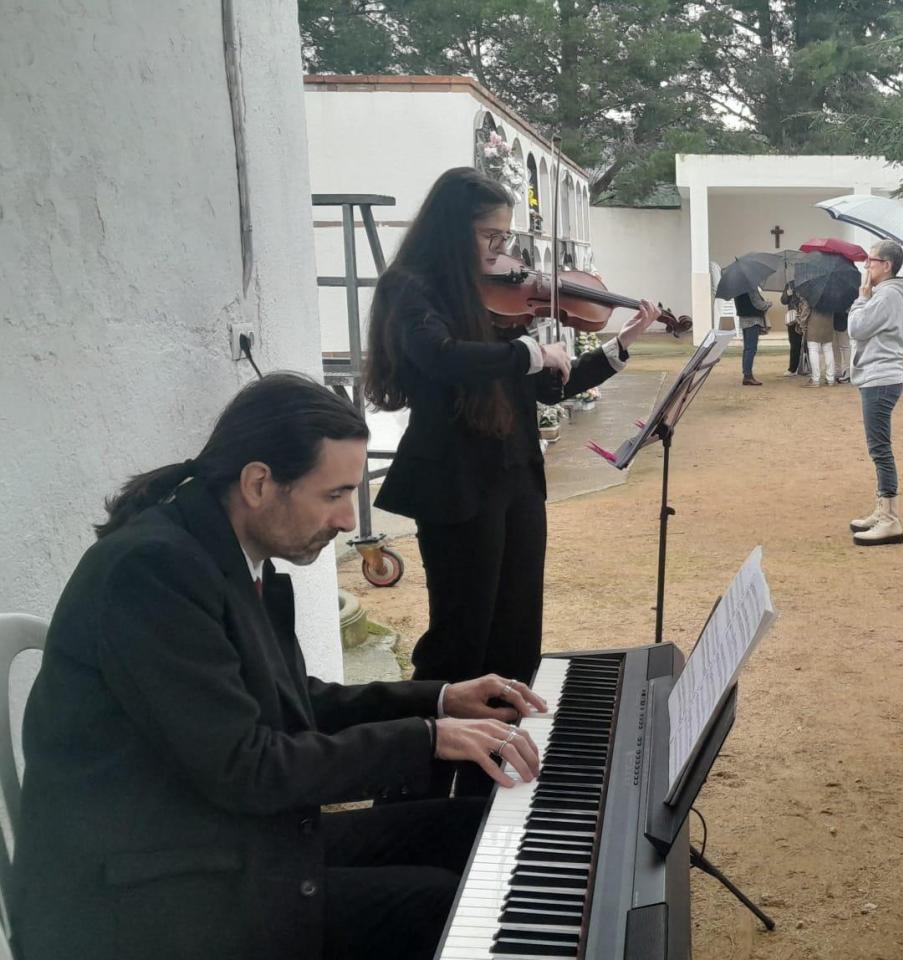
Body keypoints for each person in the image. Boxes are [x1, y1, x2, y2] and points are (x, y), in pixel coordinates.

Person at [14, 373, 550, 960]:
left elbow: (290, 701)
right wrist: (425, 740)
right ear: (259, 482)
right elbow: (248, 767)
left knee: (468, 827)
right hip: (143, 892)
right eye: (334, 494)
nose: (350, 520)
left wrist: (439, 700)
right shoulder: (151, 573)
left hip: (220, 837)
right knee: (437, 902)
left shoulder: (224, 549)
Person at [363, 168, 656, 794]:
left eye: (504, 237)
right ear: (451, 229)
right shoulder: (412, 288)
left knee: (520, 624)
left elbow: (549, 384)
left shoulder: (495, 296)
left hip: (515, 475)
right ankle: (428, 768)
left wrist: (616, 348)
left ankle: (498, 758)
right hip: (455, 481)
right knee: (461, 632)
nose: (502, 253)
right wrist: (528, 351)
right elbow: (438, 357)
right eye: (489, 237)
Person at [846, 239, 903, 546]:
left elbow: (857, 329)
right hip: (878, 376)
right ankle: (882, 509)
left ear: (887, 265)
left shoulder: (886, 296)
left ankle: (890, 519)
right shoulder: (887, 294)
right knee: (879, 448)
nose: (866, 266)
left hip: (880, 378)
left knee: (880, 449)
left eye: (871, 261)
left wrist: (861, 298)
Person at [733, 289, 770, 386]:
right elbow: (758, 304)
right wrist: (768, 304)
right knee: (751, 349)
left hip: (744, 320)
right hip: (753, 320)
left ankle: (747, 373)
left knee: (747, 348)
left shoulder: (738, 288)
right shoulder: (751, 287)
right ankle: (748, 376)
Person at [832, 307, 852, 383]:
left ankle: (848, 371)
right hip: (833, 320)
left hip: (843, 319)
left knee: (845, 346)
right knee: (835, 346)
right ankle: (838, 370)